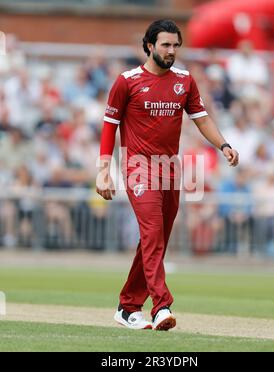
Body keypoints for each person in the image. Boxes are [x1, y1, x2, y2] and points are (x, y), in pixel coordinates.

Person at [96, 19, 239, 331]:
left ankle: (127, 307)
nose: (172, 51)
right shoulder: (127, 81)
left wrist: (223, 144)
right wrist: (103, 171)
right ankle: (162, 306)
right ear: (149, 45)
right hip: (137, 167)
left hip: (170, 168)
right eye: (165, 45)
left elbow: (201, 118)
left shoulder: (185, 81)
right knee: (152, 233)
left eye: (176, 45)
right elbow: (109, 126)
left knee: (156, 237)